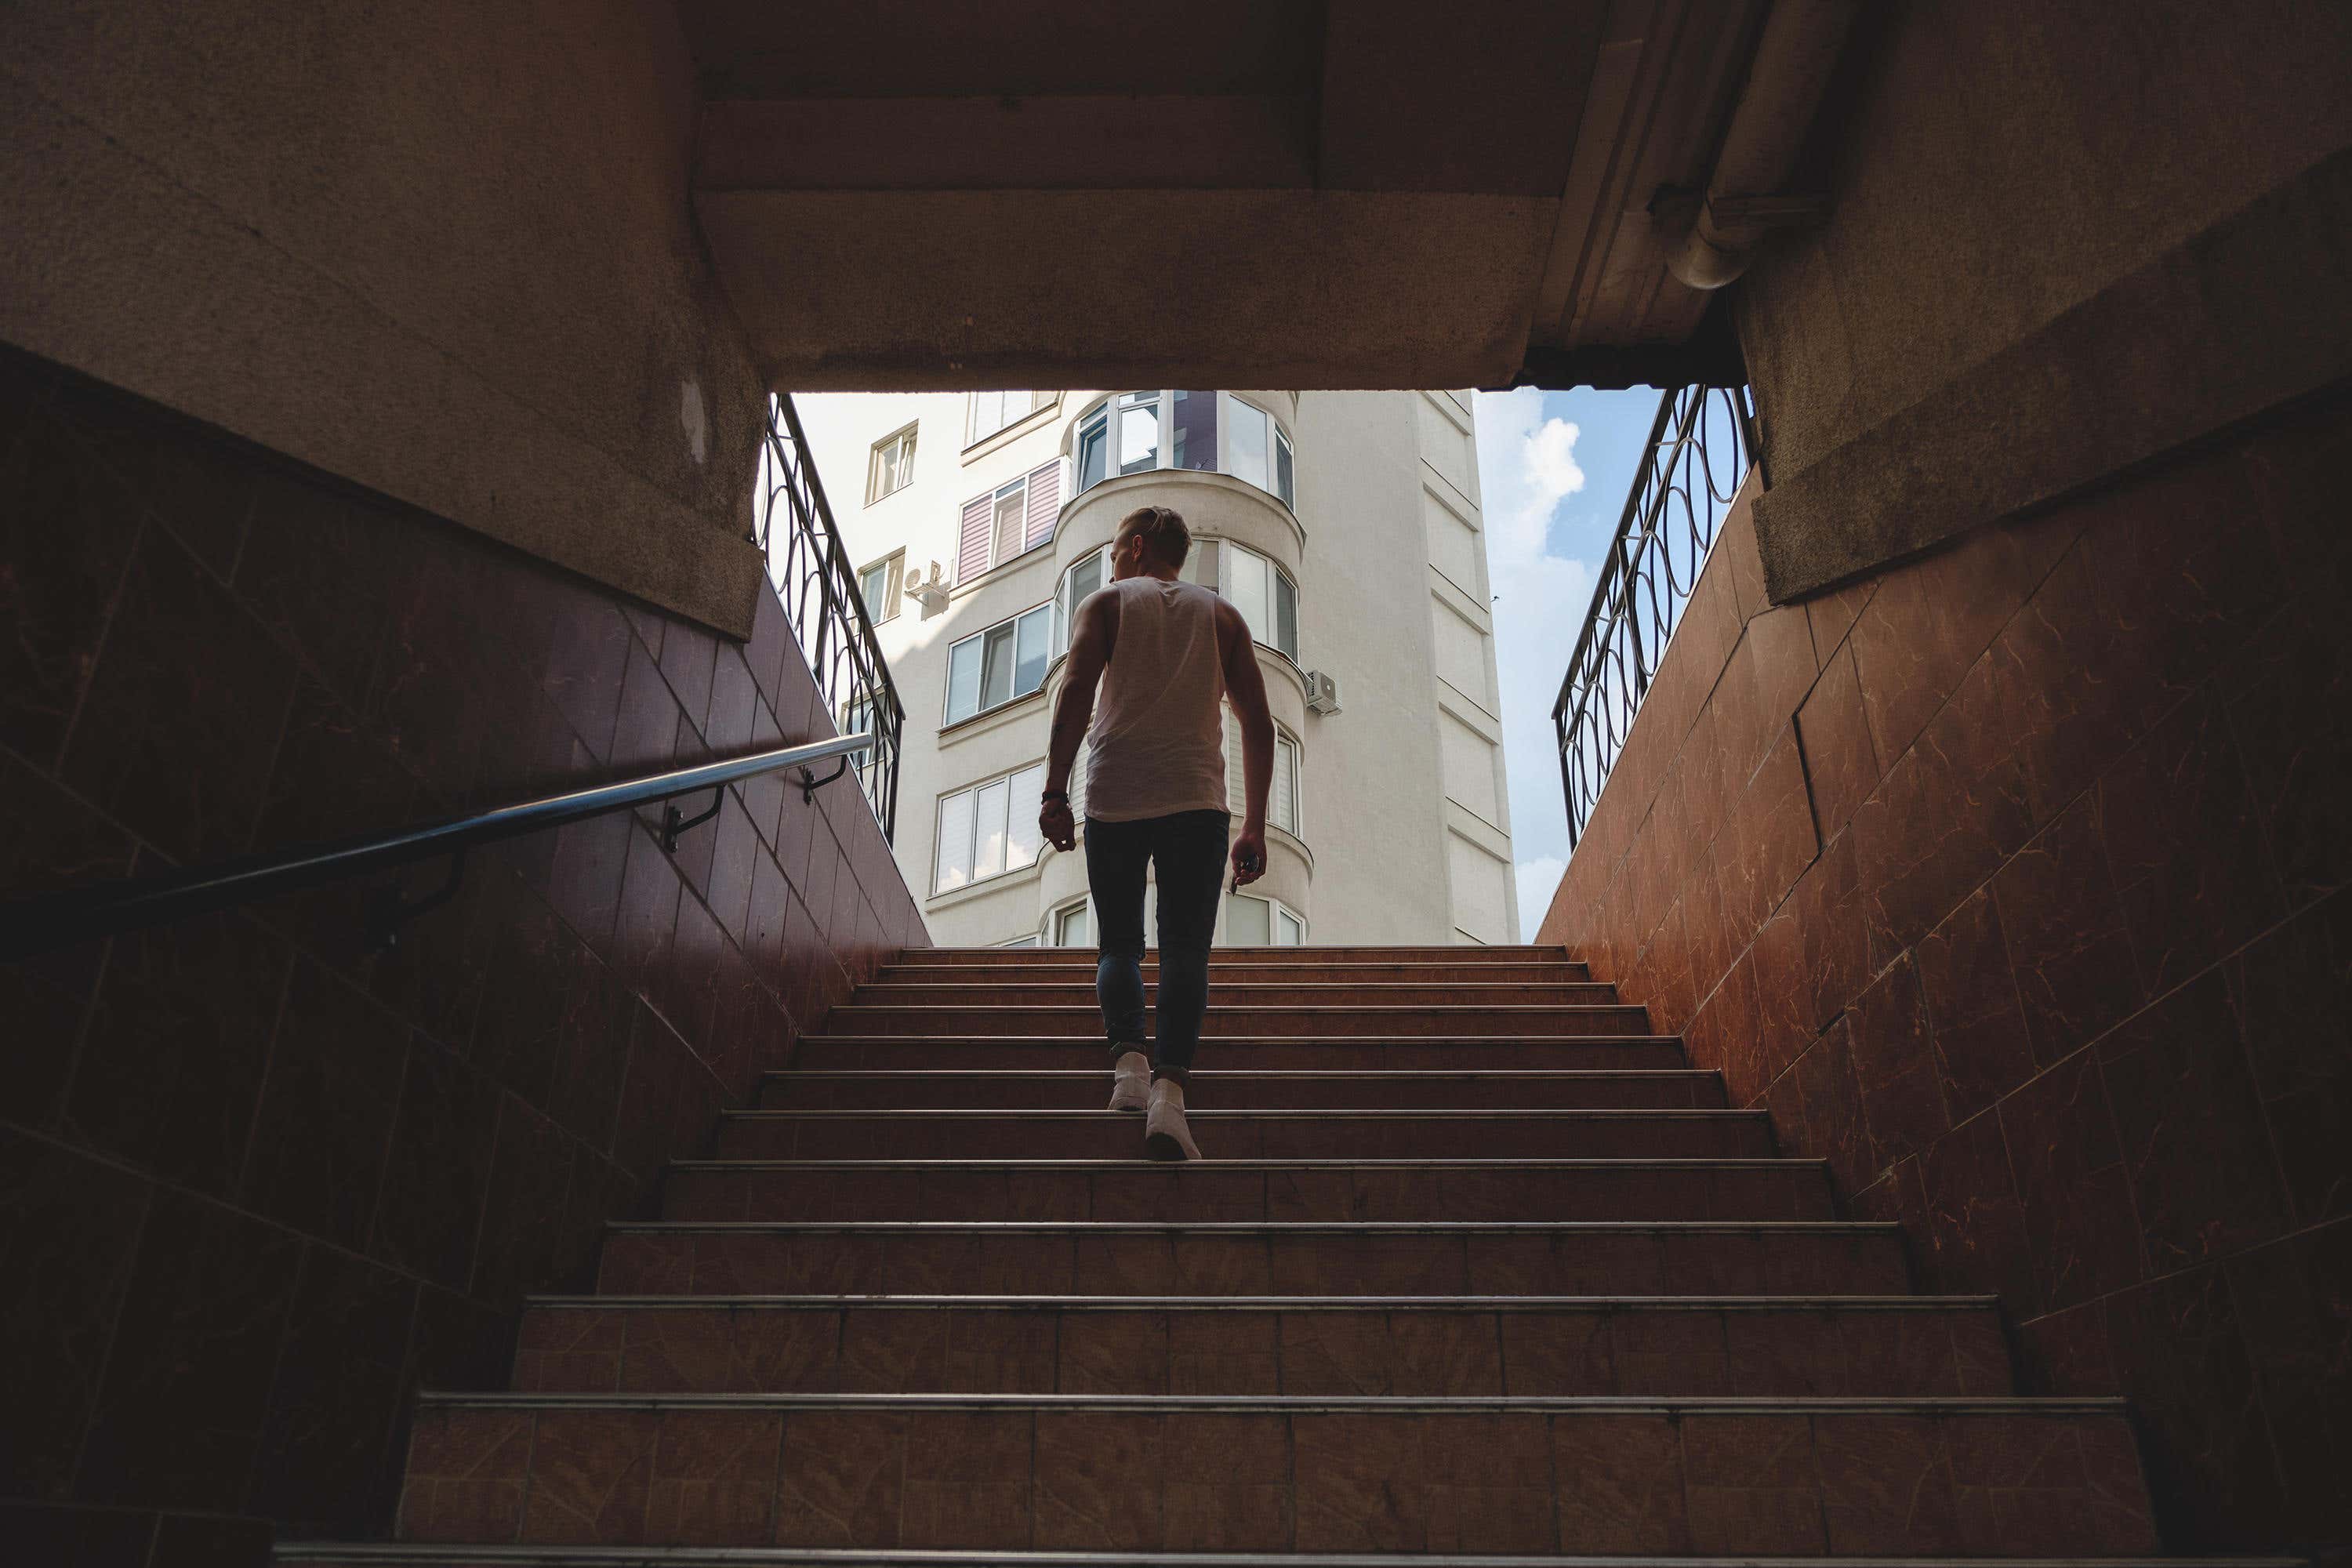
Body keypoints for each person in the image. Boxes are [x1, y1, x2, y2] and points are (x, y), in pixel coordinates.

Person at [1040, 504, 1273, 1161]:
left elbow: (1075, 693)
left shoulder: (1107, 603)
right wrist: (1255, 824)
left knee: (1118, 942)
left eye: (1115, 551)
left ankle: (1129, 1071)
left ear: (1137, 547)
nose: (1113, 562)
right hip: (1197, 799)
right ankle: (1169, 1097)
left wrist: (1055, 791)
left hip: (1115, 793)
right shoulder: (1222, 615)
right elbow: (1258, 723)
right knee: (1185, 951)